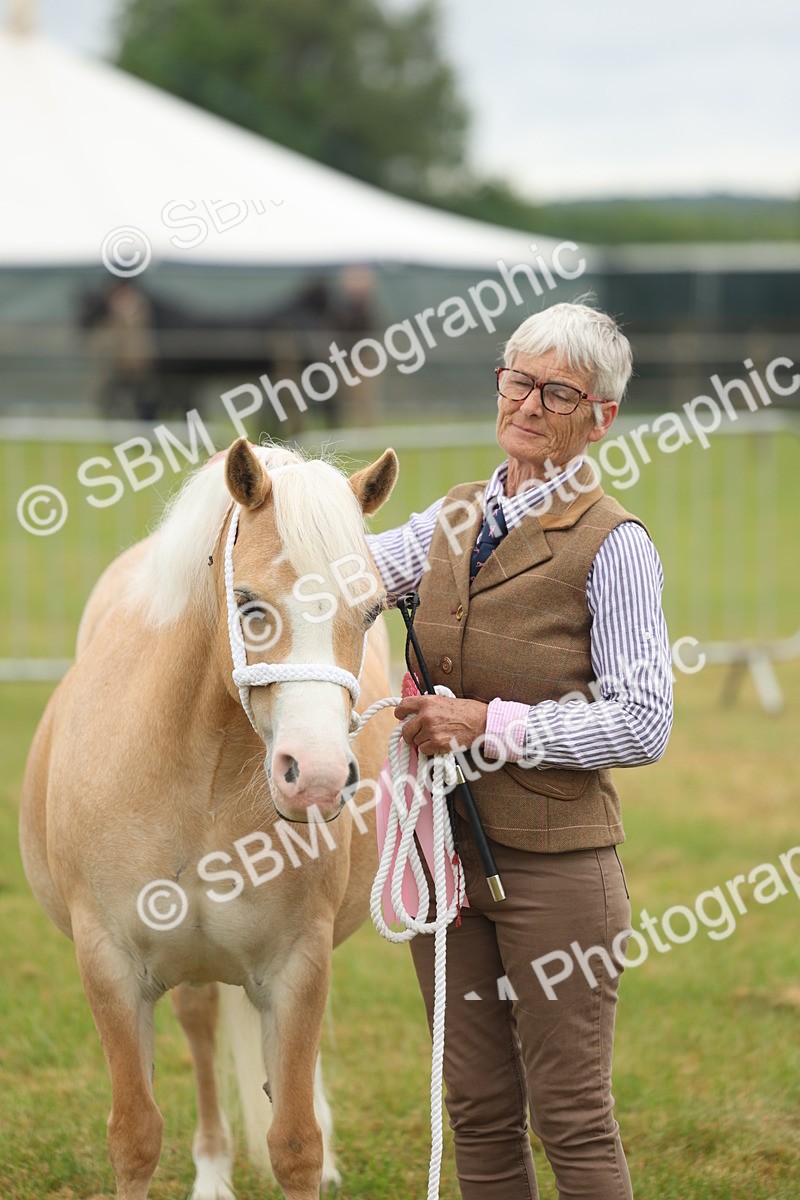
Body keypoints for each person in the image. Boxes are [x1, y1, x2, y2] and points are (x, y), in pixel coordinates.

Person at [366, 301, 673, 1200]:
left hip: (559, 876)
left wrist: (488, 722)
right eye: (517, 380)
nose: (529, 404)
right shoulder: (452, 517)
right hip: (443, 867)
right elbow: (345, 577)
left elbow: (644, 721)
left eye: (558, 391)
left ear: (601, 415)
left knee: (572, 1118)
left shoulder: (615, 546)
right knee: (477, 1113)